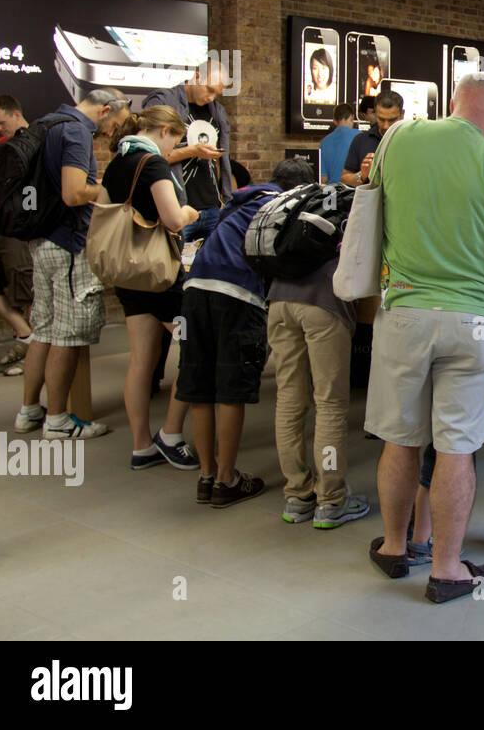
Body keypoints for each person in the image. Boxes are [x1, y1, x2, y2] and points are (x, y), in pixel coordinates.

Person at [365, 72, 484, 602]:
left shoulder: (400, 139)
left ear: (453, 102)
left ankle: (395, 548)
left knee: (400, 440)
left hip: (404, 314)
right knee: (456, 446)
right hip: (471, 321)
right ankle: (447, 569)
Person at [177, 157, 316, 507]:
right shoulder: (287, 205)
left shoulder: (242, 201)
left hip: (195, 289)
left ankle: (207, 476)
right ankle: (228, 480)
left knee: (200, 387)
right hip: (239, 295)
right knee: (231, 389)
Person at [14, 88, 131, 439]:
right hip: (67, 244)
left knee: (44, 331)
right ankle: (59, 420)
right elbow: (74, 193)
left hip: (43, 241)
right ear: (105, 110)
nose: (111, 133)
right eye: (115, 125)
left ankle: (29, 411)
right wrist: (114, 188)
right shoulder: (77, 130)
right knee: (67, 335)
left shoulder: (48, 123)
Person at [97, 106, 202, 469]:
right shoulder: (153, 164)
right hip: (159, 274)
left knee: (141, 359)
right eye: (175, 140)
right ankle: (171, 434)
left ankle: (141, 444)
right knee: (194, 349)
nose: (174, 149)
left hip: (128, 274)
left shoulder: (116, 163)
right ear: (163, 132)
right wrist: (192, 213)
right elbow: (173, 218)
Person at [269, 249, 366, 529]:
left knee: (288, 400)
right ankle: (331, 499)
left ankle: (297, 494)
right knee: (330, 404)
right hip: (323, 304)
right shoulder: (350, 207)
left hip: (279, 301)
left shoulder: (300, 205)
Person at [143, 59, 232, 243]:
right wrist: (193, 151)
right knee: (176, 269)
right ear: (197, 76)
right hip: (178, 208)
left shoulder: (217, 111)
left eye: (217, 94)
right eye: (209, 89)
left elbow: (222, 162)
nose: (211, 97)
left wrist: (225, 198)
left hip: (212, 207)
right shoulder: (164, 101)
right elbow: (148, 156)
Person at [0, 95, 35, 375]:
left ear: (16, 114)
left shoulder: (33, 144)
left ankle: (33, 350)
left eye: (1, 123)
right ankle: (25, 335)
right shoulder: (3, 148)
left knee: (25, 286)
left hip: (19, 231)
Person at [341, 91, 403, 187]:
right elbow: (345, 179)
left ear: (402, 114)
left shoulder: (412, 142)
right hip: (370, 200)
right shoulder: (360, 140)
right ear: (375, 114)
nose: (386, 126)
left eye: (392, 120)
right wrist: (362, 175)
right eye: (381, 119)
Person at [318, 103, 357, 184]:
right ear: (352, 117)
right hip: (353, 192)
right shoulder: (360, 137)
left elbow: (323, 179)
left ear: (334, 121)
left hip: (331, 193)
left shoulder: (324, 142)